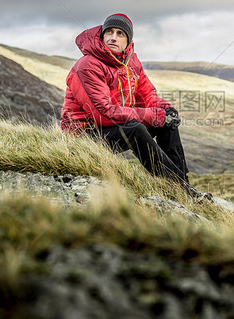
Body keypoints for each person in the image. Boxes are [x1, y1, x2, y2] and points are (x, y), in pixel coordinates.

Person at [61, 13, 212, 202]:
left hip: (113, 127)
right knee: (135, 129)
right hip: (84, 135)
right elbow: (103, 113)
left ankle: (183, 186)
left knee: (167, 123)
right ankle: (183, 190)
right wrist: (155, 116)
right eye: (108, 32)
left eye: (119, 33)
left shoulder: (131, 62)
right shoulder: (88, 65)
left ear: (128, 40)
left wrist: (166, 110)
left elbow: (147, 95)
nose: (113, 37)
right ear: (102, 36)